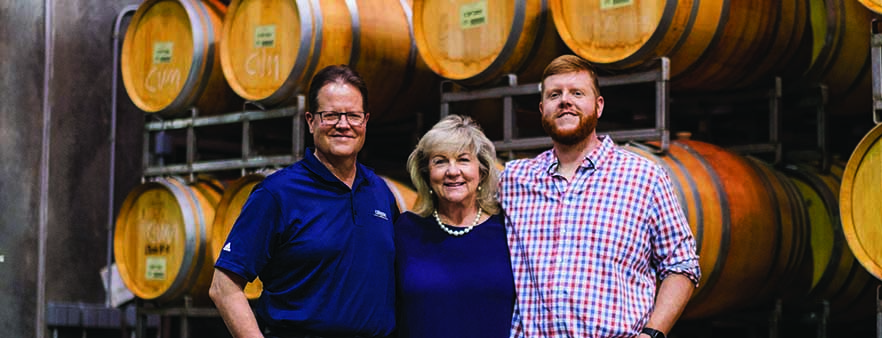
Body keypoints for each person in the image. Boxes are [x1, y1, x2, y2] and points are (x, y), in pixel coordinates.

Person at [498, 55, 700, 338]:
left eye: (577, 93)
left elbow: (681, 265)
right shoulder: (514, 180)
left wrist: (653, 334)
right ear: (543, 109)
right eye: (555, 94)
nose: (565, 101)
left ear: (599, 106)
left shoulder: (644, 177)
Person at [209, 64, 399, 338]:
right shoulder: (277, 194)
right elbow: (223, 287)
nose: (343, 124)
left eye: (353, 116)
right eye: (331, 115)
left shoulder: (380, 191)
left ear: (365, 121)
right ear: (310, 121)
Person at [394, 114, 514, 338]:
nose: (452, 171)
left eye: (463, 159)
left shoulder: (508, 231)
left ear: (482, 170)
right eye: (440, 161)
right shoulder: (406, 231)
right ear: (426, 174)